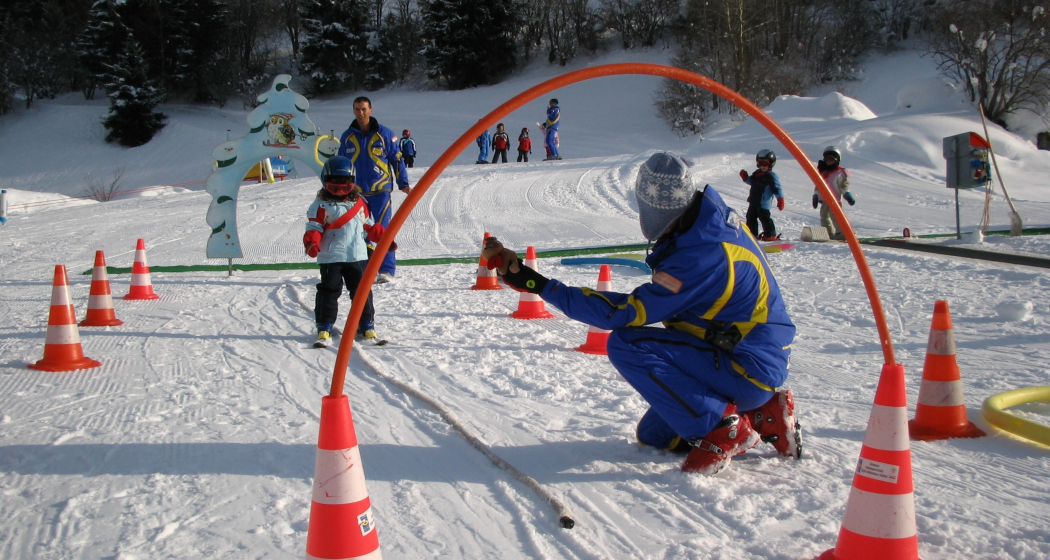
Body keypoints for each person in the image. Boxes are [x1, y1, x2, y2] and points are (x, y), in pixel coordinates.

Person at [482, 152, 801, 475]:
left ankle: (725, 430)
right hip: (744, 355)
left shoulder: (699, 256)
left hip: (744, 363)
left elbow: (622, 313)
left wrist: (540, 284)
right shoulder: (709, 221)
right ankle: (762, 411)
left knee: (626, 344)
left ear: (655, 207)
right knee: (655, 436)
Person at [303, 156, 385, 348]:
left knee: (362, 291)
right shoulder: (321, 205)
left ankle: (366, 323)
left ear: (352, 183)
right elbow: (314, 226)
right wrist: (312, 243)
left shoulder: (359, 203)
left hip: (357, 256)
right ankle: (325, 325)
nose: (340, 191)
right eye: (334, 187)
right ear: (325, 183)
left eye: (345, 186)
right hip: (331, 257)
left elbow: (368, 225)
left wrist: (383, 238)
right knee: (329, 290)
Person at [337, 96, 411, 284]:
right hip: (356, 193)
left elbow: (397, 159)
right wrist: (339, 188)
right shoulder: (347, 136)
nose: (360, 113)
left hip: (380, 191)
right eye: (357, 109)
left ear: (371, 110)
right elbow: (341, 164)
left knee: (383, 231)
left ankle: (386, 270)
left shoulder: (384, 134)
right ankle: (366, 269)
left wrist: (403, 183)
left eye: (363, 109)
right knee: (358, 231)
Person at [739, 149, 785, 241]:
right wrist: (745, 177)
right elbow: (751, 181)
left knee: (764, 218)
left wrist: (780, 199)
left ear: (771, 164)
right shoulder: (757, 173)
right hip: (754, 200)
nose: (763, 166)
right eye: (760, 164)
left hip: (763, 203)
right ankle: (752, 234)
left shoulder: (771, 176)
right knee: (750, 216)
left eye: (765, 164)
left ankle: (770, 235)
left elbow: (777, 188)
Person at [812, 145, 855, 241]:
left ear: (836, 160)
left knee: (835, 216)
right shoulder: (823, 172)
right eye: (827, 159)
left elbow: (843, 185)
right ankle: (827, 233)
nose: (829, 161)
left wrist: (847, 194)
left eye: (831, 159)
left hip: (834, 199)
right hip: (824, 200)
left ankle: (841, 232)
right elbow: (818, 186)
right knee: (824, 216)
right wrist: (816, 195)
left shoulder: (839, 172)